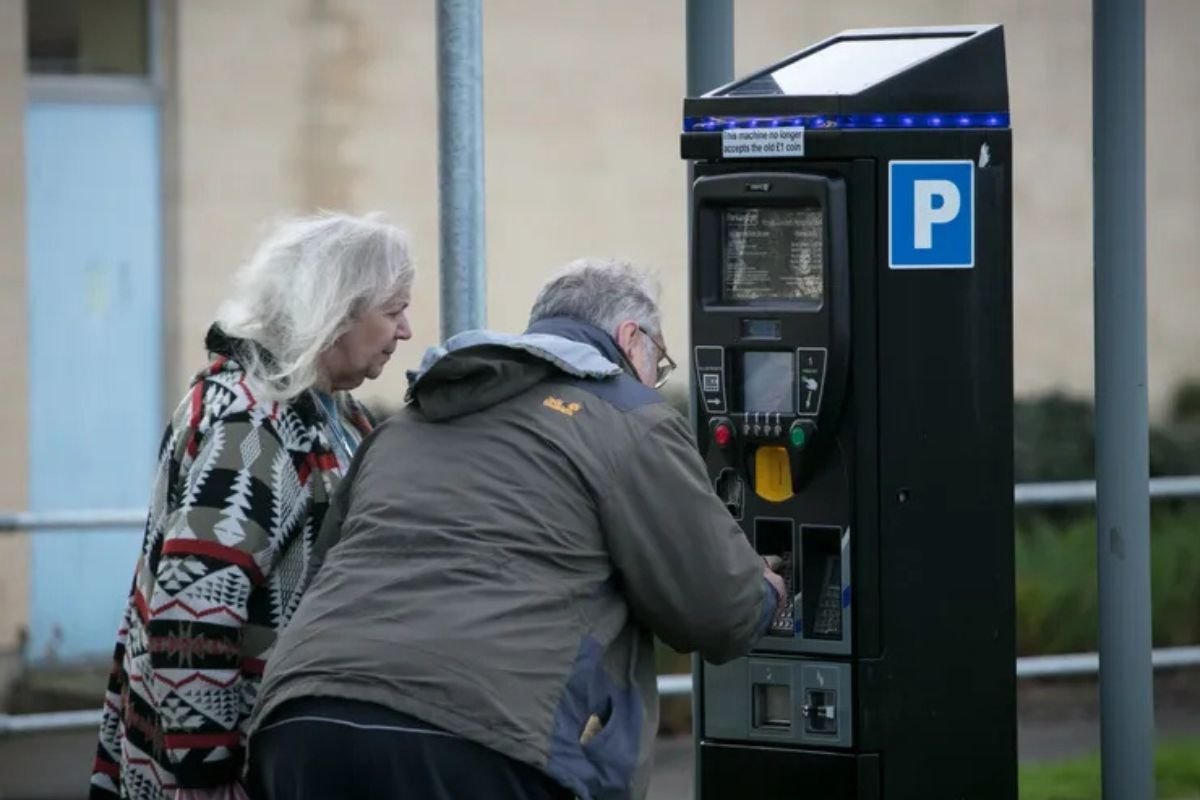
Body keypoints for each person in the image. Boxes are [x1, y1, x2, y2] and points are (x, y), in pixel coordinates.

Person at [244, 258, 787, 800]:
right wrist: (768, 589)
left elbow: (322, 574)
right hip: (479, 739)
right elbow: (719, 611)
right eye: (658, 361)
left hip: (301, 722)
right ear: (630, 337)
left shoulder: (405, 425)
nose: (653, 378)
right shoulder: (626, 419)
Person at [88, 212, 416, 800]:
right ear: (337, 311)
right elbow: (192, 614)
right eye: (393, 311)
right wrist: (206, 775)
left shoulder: (331, 414)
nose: (407, 331)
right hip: (231, 768)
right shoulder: (250, 425)